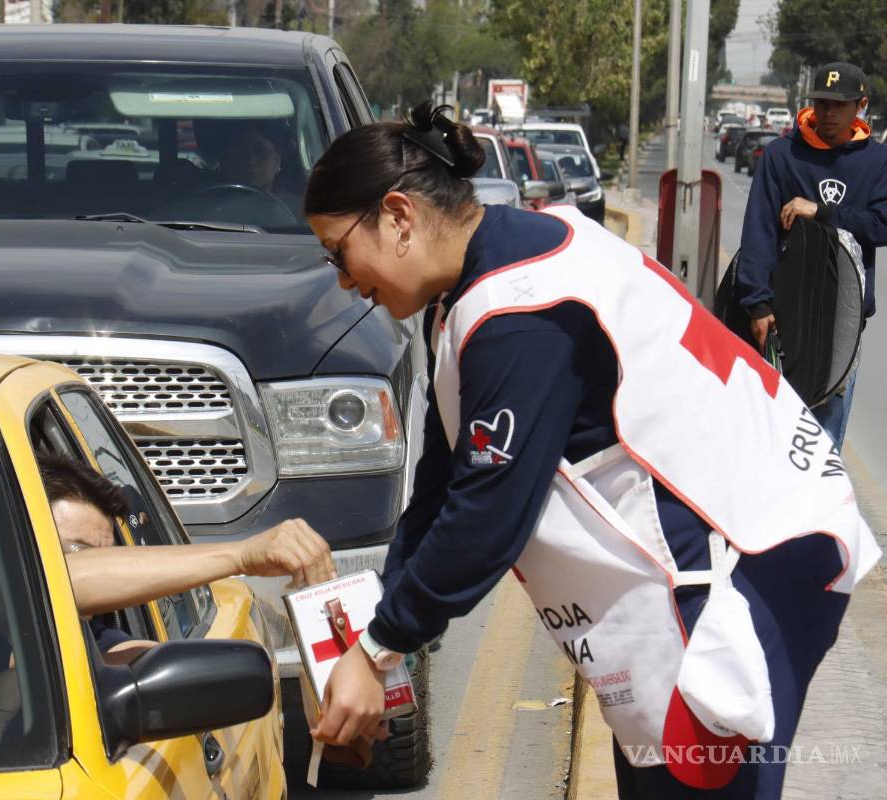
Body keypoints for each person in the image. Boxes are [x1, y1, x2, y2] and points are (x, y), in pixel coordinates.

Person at [303, 102, 880, 798]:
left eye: (338, 253)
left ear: (397, 217)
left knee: (695, 773)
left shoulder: (520, 309)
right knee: (654, 768)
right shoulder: (475, 285)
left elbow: (486, 519)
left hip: (751, 556)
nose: (341, 279)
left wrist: (379, 649)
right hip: (712, 548)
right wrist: (381, 637)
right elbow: (441, 485)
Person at [0, 453, 334, 740]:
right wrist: (241, 555)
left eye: (110, 557)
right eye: (78, 552)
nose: (105, 585)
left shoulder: (98, 644)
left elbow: (148, 665)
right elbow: (51, 584)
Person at [736, 61, 887, 448]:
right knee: (773, 432)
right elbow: (758, 232)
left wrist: (822, 212)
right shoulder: (782, 156)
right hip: (782, 317)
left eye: (839, 105)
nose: (828, 113)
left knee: (824, 443)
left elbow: (880, 225)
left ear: (861, 106)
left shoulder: (877, 162)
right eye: (821, 103)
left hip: (843, 322)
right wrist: (756, 303)